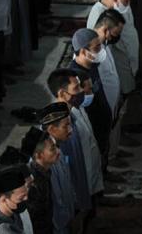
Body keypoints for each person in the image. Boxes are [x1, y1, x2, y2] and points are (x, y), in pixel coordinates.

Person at [47, 69, 103, 203]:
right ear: (62, 93)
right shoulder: (55, 124)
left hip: (88, 179)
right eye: (76, 87)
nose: (81, 91)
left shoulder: (76, 109)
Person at [69, 29, 113, 173]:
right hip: (91, 128)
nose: (100, 51)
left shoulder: (92, 65)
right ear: (82, 51)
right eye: (96, 48)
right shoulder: (74, 76)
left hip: (102, 123)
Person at [92, 9, 129, 169]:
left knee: (106, 141)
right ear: (106, 30)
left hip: (110, 105)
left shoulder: (103, 44)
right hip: (100, 107)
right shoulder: (91, 49)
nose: (115, 37)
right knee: (100, 145)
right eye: (114, 33)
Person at [38, 102, 76, 234]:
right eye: (66, 126)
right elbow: (56, 200)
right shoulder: (46, 159)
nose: (70, 130)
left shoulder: (57, 147)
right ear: (52, 129)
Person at [0, 167, 34, 233]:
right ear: (3, 199)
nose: (26, 198)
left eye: (26, 194)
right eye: (21, 198)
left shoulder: (14, 210)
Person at [24, 129, 56, 234]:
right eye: (52, 149)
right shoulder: (32, 184)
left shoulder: (45, 171)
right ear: (38, 155)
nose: (57, 152)